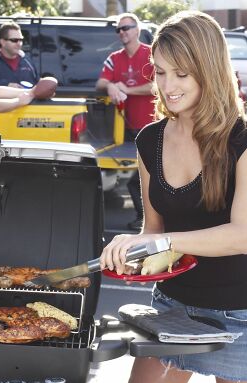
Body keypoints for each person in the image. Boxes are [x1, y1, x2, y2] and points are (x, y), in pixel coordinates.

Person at [99, 11, 247, 383]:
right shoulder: (149, 141)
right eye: (159, 72)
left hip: (243, 315)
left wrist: (166, 238)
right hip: (174, 308)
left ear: (209, 69)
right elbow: (156, 231)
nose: (168, 86)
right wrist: (130, 246)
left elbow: (242, 236)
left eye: (182, 73)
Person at [96, 13, 156, 232]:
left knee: (143, 176)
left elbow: (157, 85)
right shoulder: (115, 57)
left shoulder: (151, 54)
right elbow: (101, 82)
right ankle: (145, 219)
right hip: (127, 129)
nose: (122, 32)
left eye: (127, 27)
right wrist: (111, 87)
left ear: (137, 30)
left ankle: (149, 220)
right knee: (135, 175)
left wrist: (127, 89)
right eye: (119, 29)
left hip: (153, 126)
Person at [0, 22, 39, 88]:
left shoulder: (28, 61)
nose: (19, 43)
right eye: (14, 40)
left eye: (21, 40)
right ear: (2, 42)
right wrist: (7, 85)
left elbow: (37, 85)